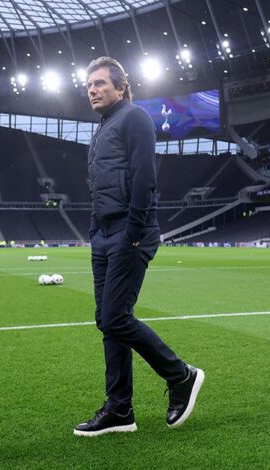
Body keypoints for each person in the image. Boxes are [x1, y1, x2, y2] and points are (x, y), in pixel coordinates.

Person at [74, 57, 204, 437]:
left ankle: (181, 375)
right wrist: (95, 228)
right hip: (104, 235)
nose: (92, 90)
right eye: (88, 86)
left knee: (115, 317)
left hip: (131, 232)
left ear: (120, 86)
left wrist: (132, 230)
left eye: (99, 83)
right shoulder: (100, 131)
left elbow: (145, 176)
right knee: (108, 323)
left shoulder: (135, 118)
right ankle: (119, 409)